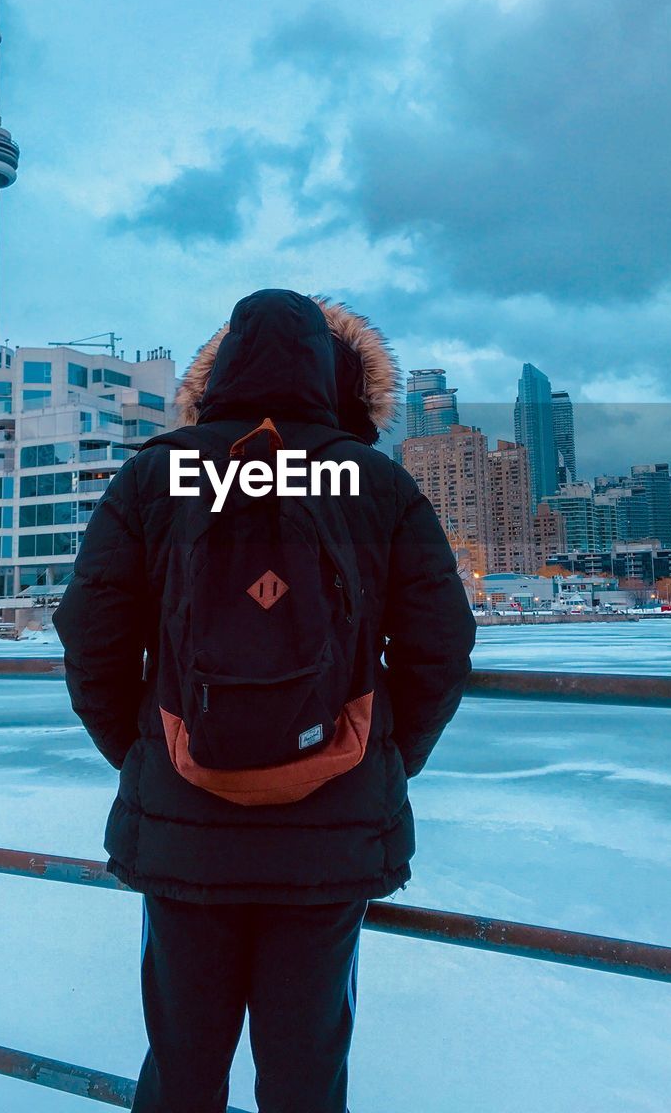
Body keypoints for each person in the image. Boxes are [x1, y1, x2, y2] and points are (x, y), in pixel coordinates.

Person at [52, 289, 476, 1113]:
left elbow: (92, 638)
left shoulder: (155, 477)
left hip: (185, 828)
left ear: (218, 371)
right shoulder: (376, 485)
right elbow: (440, 648)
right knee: (305, 1075)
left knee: (182, 1067)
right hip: (331, 836)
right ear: (337, 378)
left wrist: (153, 751)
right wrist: (379, 757)